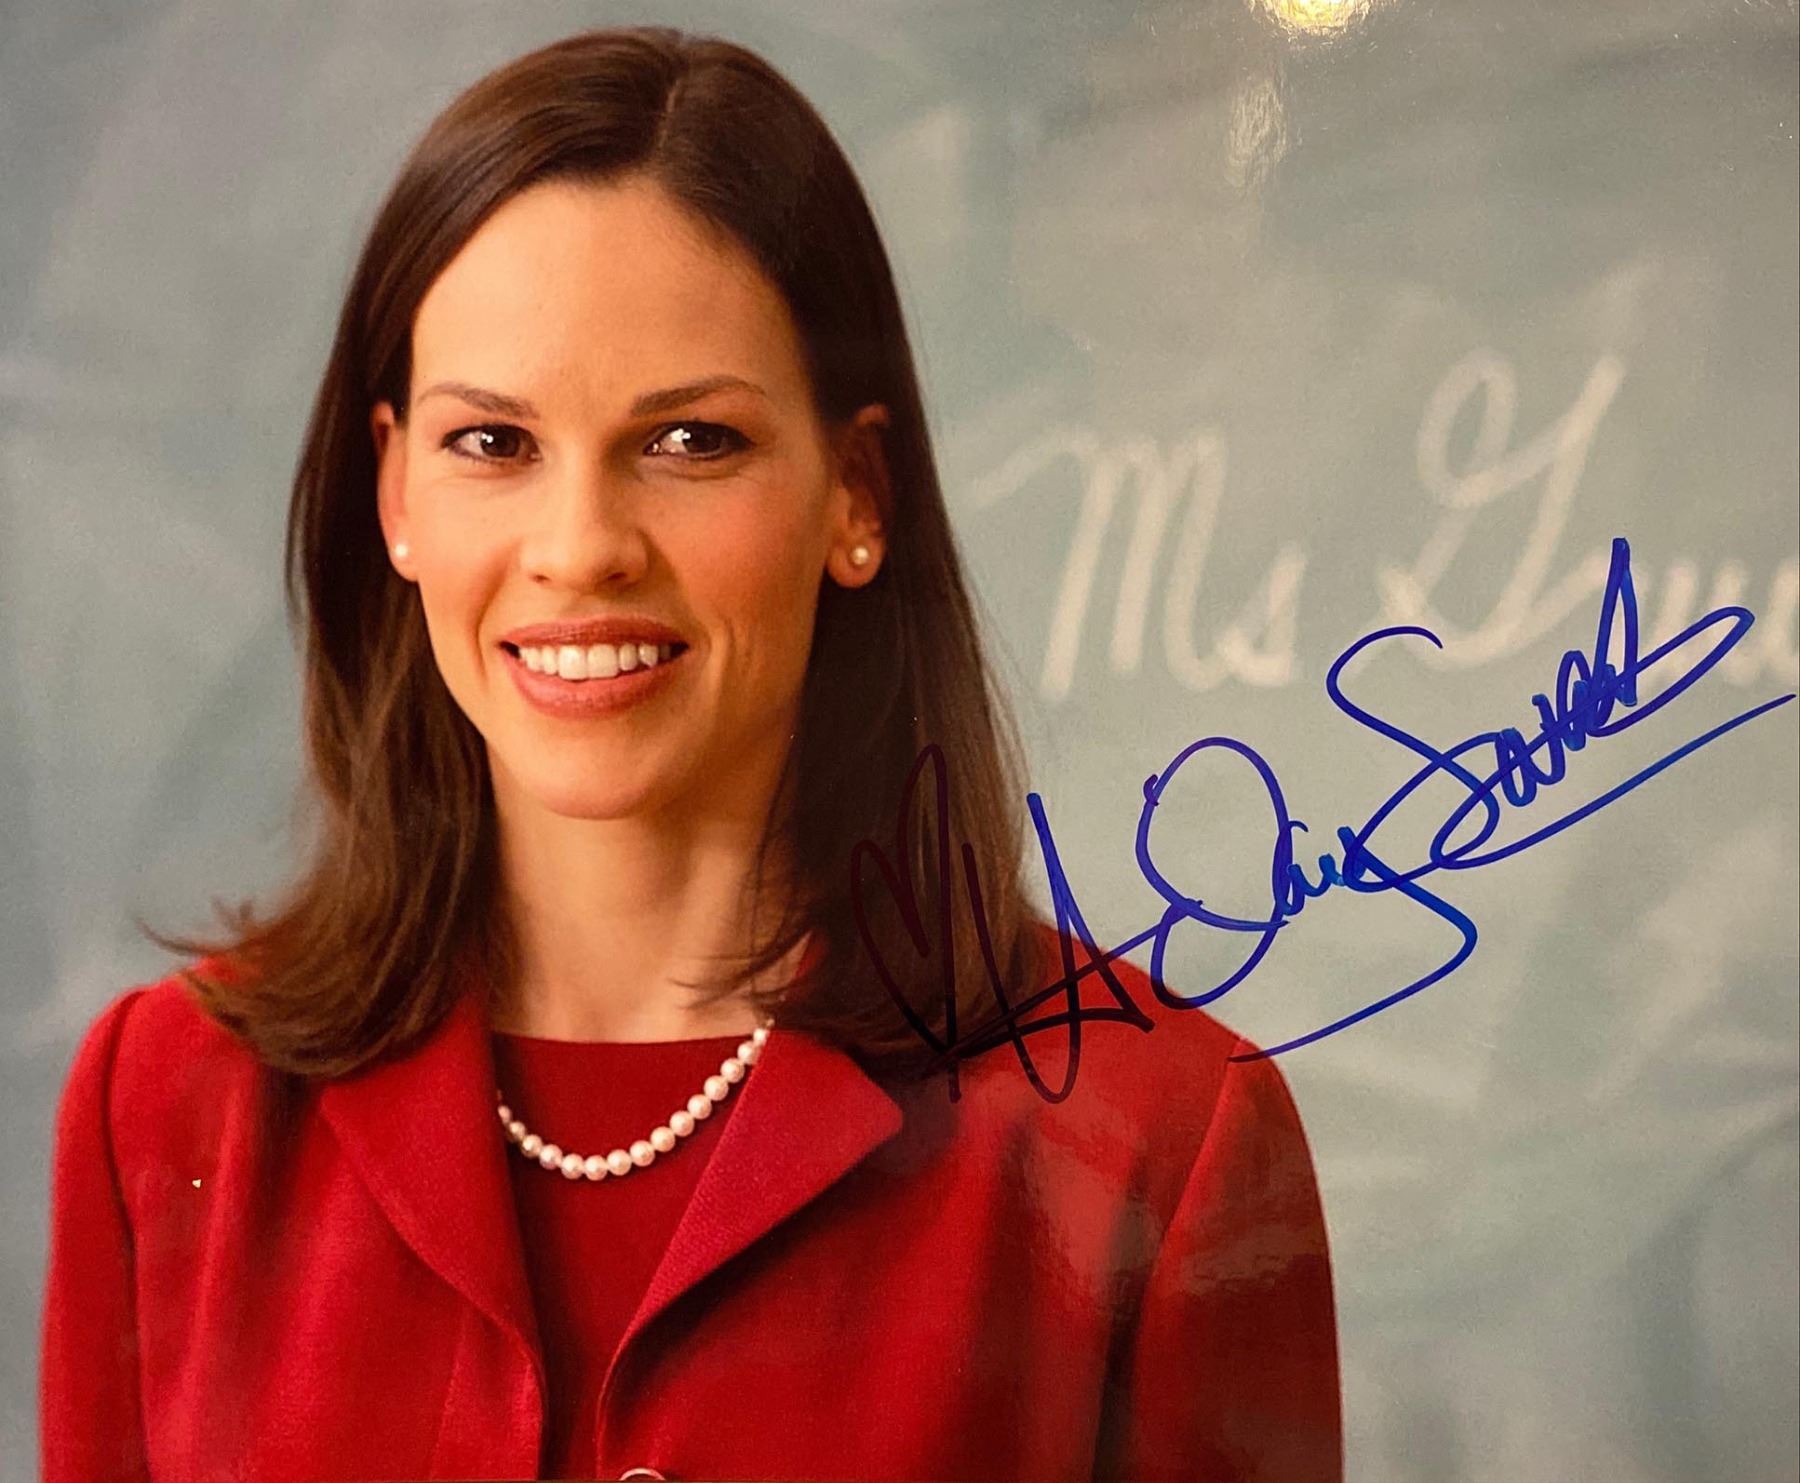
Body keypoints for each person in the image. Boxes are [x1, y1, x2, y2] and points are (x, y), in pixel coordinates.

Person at [38, 25, 1341, 1482]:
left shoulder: (1159, 1138)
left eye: (690, 442)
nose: (582, 547)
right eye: (493, 445)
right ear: (396, 492)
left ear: (856, 496)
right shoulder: (164, 1105)